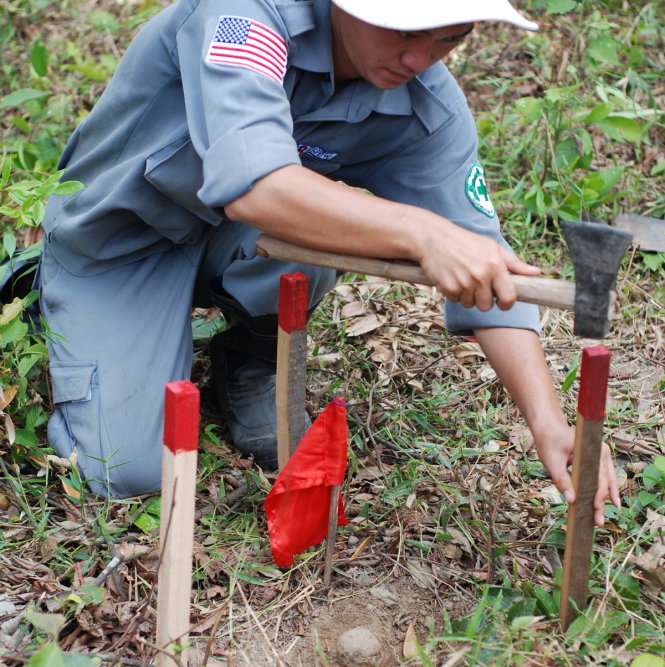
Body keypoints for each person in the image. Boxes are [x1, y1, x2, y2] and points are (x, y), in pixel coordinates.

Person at [37, 0, 619, 523]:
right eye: (403, 29)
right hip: (120, 241)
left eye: (450, 37)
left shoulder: (425, 108)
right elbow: (256, 189)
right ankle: (65, 304)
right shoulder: (247, 15)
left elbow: (482, 262)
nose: (419, 57)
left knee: (312, 254)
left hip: (237, 240)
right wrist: (420, 231)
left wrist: (547, 420)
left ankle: (248, 357)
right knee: (128, 471)